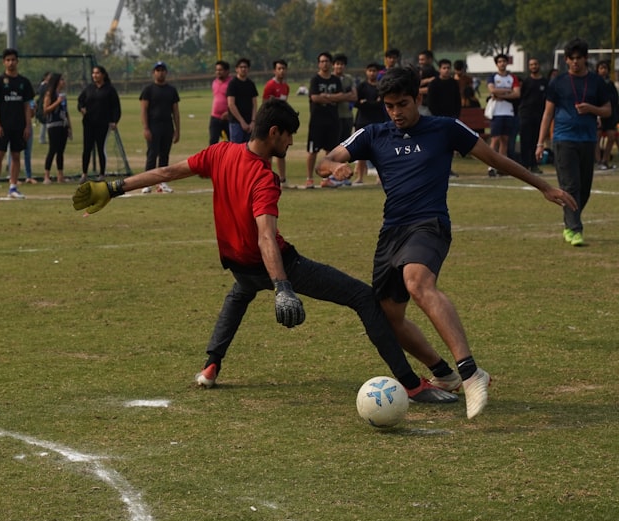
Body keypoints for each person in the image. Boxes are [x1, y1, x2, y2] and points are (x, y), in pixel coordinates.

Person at [72, 98, 457, 405]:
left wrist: (115, 187)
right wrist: (283, 286)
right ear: (273, 132)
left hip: (238, 263)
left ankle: (210, 366)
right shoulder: (264, 178)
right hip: (273, 263)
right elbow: (266, 238)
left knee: (239, 294)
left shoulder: (219, 153)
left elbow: (167, 172)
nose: (290, 144)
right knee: (363, 298)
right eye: (288, 137)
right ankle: (409, 384)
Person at [316, 67, 577, 419]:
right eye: (390, 106)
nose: (396, 112)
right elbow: (325, 160)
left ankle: (470, 373)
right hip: (391, 231)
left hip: (430, 224)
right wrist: (333, 168)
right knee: (389, 316)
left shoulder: (444, 128)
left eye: (403, 104)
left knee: (418, 281)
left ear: (418, 99)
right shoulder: (373, 134)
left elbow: (495, 158)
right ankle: (443, 374)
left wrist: (544, 186)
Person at [536, 38, 612, 247]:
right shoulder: (558, 82)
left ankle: (570, 221)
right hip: (563, 140)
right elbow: (547, 113)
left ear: (586, 59)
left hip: (588, 140)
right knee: (571, 186)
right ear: (566, 60)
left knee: (584, 189)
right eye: (571, 58)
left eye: (579, 58)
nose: (575, 62)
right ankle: (574, 229)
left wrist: (592, 109)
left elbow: (608, 110)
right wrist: (540, 142)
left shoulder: (597, 82)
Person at [0, 48, 35, 200]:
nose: (11, 63)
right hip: (3, 126)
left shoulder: (24, 82)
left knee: (16, 155)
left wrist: (27, 126)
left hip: (19, 125)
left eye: (13, 60)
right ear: (4, 62)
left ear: (17, 61)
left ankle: (13, 187)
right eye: (8, 60)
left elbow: (27, 106)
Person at [306, 52, 346, 188]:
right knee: (313, 151)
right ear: (319, 63)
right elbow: (315, 98)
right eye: (322, 61)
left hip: (333, 120)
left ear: (330, 63)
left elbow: (342, 96)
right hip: (317, 121)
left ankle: (325, 179)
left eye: (327, 61)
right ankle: (309, 178)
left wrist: (326, 96)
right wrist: (332, 98)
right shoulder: (315, 80)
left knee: (330, 151)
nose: (325, 64)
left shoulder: (335, 80)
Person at [140, 61, 180, 194]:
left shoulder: (171, 90)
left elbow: (175, 111)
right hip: (153, 125)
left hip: (167, 125)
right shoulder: (148, 90)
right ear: (154, 73)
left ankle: (162, 182)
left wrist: (177, 130)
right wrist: (146, 128)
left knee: (164, 155)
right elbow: (144, 110)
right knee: (152, 154)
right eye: (158, 70)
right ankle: (147, 182)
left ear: (166, 72)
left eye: (163, 70)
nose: (160, 72)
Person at [77, 65, 121, 182]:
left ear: (103, 75)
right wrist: (81, 108)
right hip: (88, 123)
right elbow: (80, 101)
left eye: (97, 73)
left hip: (102, 123)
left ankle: (102, 174)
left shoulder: (109, 89)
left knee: (101, 148)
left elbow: (116, 106)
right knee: (87, 148)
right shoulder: (89, 88)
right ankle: (84, 174)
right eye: (93, 73)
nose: (94, 75)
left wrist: (114, 121)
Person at [486, 53, 521, 176]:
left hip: (508, 112)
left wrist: (500, 95)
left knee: (505, 140)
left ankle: (502, 166)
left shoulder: (512, 78)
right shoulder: (493, 77)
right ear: (497, 64)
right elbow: (492, 90)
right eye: (499, 61)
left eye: (504, 61)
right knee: (495, 139)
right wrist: (508, 91)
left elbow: (517, 93)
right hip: (497, 112)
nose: (502, 63)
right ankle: (491, 166)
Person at [353, 62, 387, 184]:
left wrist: (366, 103)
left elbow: (380, 104)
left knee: (378, 151)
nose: (372, 73)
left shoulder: (381, 87)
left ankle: (379, 177)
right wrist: (368, 103)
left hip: (377, 121)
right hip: (362, 121)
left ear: (378, 73)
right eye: (370, 70)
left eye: (374, 71)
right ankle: (360, 177)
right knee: (361, 150)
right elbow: (356, 102)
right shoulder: (361, 86)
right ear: (366, 72)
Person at [42, 73, 73, 184]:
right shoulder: (50, 94)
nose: (63, 82)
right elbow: (45, 110)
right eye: (61, 80)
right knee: (52, 150)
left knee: (61, 151)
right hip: (53, 125)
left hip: (63, 125)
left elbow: (66, 112)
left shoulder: (63, 95)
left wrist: (69, 127)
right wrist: (57, 102)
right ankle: (47, 175)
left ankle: (60, 175)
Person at [262, 59, 290, 184]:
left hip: (282, 123)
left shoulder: (286, 86)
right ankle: (267, 176)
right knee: (270, 151)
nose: (282, 71)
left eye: (283, 68)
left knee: (282, 149)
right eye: (279, 68)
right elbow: (265, 105)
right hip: (272, 123)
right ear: (275, 70)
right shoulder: (270, 85)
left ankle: (282, 177)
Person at [518, 58, 547, 174]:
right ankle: (524, 166)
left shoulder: (545, 82)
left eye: (535, 64)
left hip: (539, 115)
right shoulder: (526, 82)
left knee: (536, 141)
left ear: (539, 65)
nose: (533, 66)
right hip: (526, 115)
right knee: (525, 141)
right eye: (531, 65)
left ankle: (534, 165)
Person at [226, 58, 258, 144]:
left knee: (249, 150)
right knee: (236, 149)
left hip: (250, 122)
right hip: (236, 123)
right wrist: (242, 121)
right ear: (237, 69)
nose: (243, 69)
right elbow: (231, 104)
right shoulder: (233, 84)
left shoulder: (251, 84)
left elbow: (254, 104)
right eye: (241, 67)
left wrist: (253, 121)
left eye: (245, 67)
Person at [595, 60, 619, 170]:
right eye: (601, 68)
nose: (603, 70)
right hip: (598, 114)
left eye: (605, 68)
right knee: (597, 136)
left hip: (610, 116)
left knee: (612, 135)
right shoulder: (595, 83)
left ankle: (605, 159)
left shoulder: (610, 84)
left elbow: (615, 100)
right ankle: (598, 160)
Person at [332, 53, 357, 144]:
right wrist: (347, 95)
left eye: (342, 64)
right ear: (333, 65)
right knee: (333, 145)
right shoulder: (330, 79)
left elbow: (354, 97)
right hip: (334, 116)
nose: (339, 66)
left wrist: (339, 97)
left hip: (348, 116)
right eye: (337, 64)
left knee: (345, 145)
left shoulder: (349, 78)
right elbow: (331, 99)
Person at [208, 60, 231, 145]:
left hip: (228, 117)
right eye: (217, 70)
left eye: (220, 70)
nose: (218, 72)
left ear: (227, 71)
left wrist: (229, 112)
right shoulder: (214, 82)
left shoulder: (231, 83)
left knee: (232, 142)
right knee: (213, 141)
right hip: (215, 117)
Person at [417, 50, 438, 116]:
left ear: (430, 60)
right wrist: (427, 80)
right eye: (419, 60)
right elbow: (412, 85)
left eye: (422, 60)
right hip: (419, 105)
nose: (420, 62)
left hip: (431, 106)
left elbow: (432, 89)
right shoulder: (417, 72)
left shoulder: (435, 74)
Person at [36, 72, 51, 144]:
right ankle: (42, 139)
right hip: (43, 106)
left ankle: (43, 138)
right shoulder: (44, 85)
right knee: (44, 123)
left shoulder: (44, 85)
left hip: (43, 105)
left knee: (45, 123)